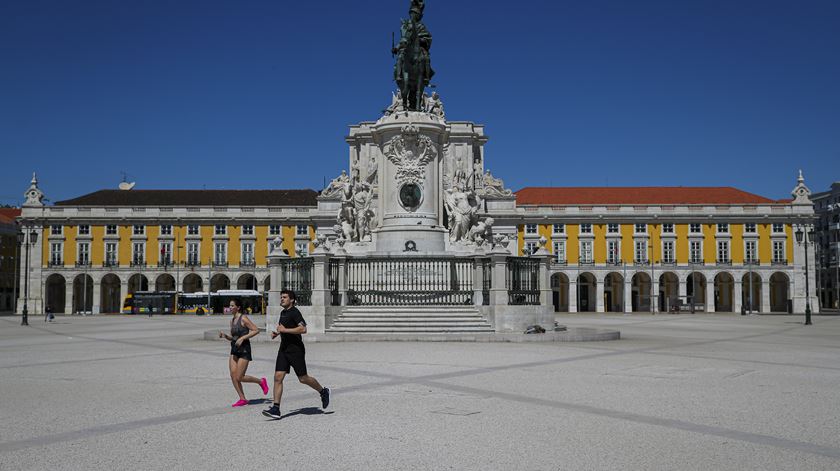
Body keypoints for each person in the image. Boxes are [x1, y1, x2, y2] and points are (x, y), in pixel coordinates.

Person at [262, 290, 330, 419]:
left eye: (285, 297)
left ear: (292, 300)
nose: (282, 299)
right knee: (278, 377)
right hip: (283, 349)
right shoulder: (283, 313)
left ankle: (323, 391)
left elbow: (303, 329)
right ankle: (276, 409)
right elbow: (283, 328)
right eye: (281, 297)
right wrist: (278, 332)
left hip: (295, 350)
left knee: (303, 378)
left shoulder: (295, 312)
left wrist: (284, 330)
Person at [218, 299, 269, 407]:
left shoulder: (243, 318)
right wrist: (226, 336)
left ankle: (261, 381)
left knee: (239, 377)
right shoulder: (232, 320)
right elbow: (234, 338)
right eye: (230, 306)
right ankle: (242, 398)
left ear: (238, 307)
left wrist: (243, 338)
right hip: (234, 349)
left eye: (232, 306)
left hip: (244, 349)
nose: (230, 307)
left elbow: (256, 330)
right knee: (233, 375)